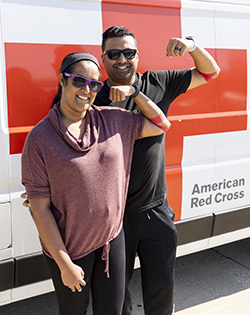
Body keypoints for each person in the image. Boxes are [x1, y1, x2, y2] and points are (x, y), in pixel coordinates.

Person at [22, 27, 220, 315]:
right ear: (104, 58)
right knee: (116, 298)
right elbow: (57, 145)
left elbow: (211, 74)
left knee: (161, 288)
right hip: (113, 220)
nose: (122, 59)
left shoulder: (156, 82)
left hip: (154, 208)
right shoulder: (92, 98)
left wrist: (190, 45)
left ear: (138, 55)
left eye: (128, 53)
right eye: (114, 54)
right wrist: (46, 194)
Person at [21, 52, 171, 315]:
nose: (87, 90)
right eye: (79, 81)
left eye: (94, 84)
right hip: (70, 247)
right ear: (62, 80)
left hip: (112, 241)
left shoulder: (113, 120)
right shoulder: (40, 138)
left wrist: (135, 92)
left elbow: (161, 123)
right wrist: (64, 264)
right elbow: (40, 208)